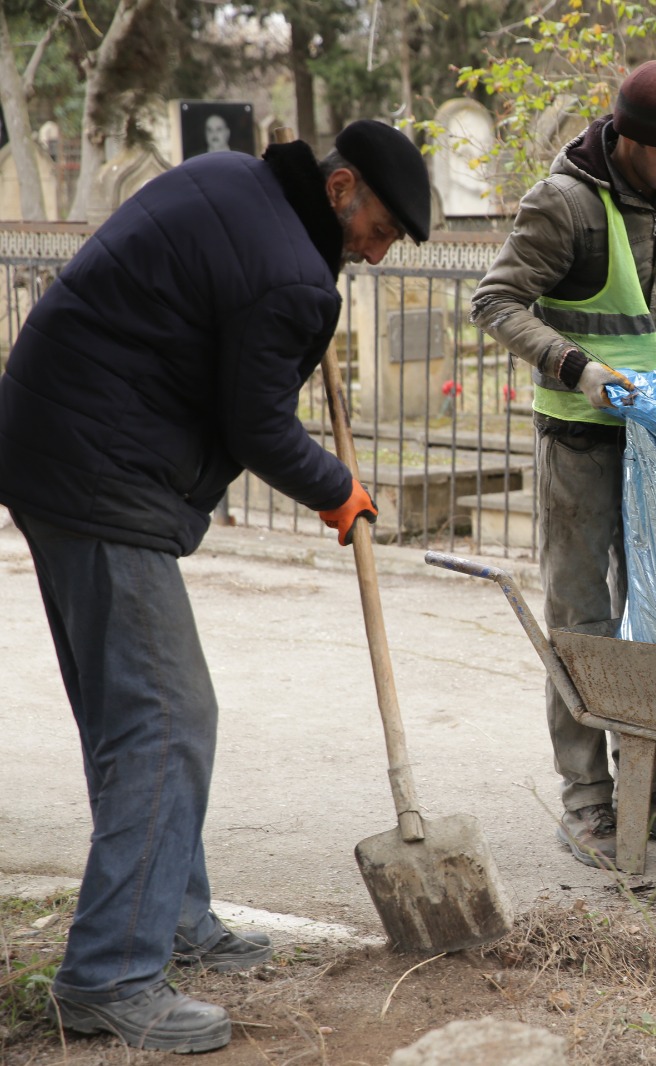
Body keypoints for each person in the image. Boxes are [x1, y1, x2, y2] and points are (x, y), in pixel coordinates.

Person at [0, 119, 430, 1051]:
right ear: (339, 187)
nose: (376, 251)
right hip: (100, 470)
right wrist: (339, 490)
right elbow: (257, 427)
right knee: (166, 719)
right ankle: (112, 974)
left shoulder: (236, 180)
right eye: (380, 230)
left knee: (131, 714)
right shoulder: (293, 277)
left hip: (47, 438)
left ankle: (176, 918)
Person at [472, 61, 656, 869]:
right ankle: (588, 799)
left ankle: (649, 788)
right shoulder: (564, 204)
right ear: (626, 139)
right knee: (583, 620)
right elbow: (495, 301)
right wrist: (577, 368)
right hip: (581, 441)